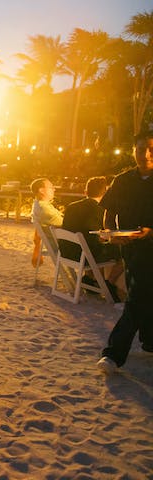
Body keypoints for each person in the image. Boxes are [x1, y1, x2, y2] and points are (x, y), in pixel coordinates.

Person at [97, 130, 153, 374]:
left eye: (150, 148)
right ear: (134, 151)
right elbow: (109, 209)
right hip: (131, 247)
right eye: (141, 149)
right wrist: (110, 230)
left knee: (138, 297)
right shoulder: (123, 180)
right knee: (142, 293)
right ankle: (149, 342)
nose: (146, 154)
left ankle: (113, 353)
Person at [59, 176, 124, 301]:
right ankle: (109, 283)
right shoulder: (99, 209)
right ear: (105, 193)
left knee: (94, 244)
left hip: (67, 253)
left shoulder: (72, 206)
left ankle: (89, 278)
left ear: (86, 191)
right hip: (84, 256)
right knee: (122, 252)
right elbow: (99, 235)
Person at [30, 177, 63, 267]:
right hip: (61, 248)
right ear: (42, 190)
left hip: (57, 243)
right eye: (51, 187)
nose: (54, 189)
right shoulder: (44, 209)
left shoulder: (40, 205)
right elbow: (67, 224)